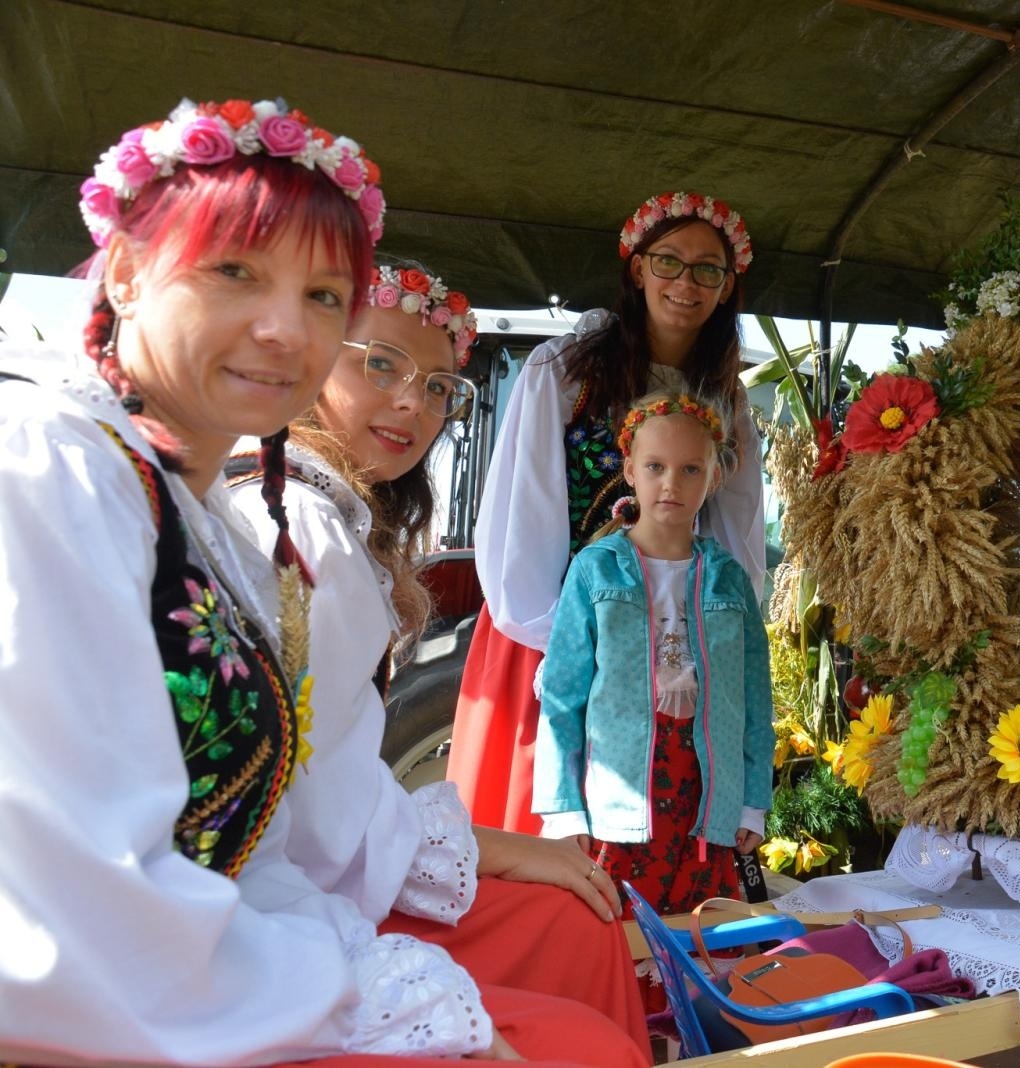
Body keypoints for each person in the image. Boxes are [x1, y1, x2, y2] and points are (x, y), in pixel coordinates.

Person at [0, 97, 645, 1066]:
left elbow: (258, 830)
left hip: (191, 953)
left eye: (321, 297)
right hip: (108, 993)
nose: (281, 329)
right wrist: (385, 989)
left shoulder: (192, 507)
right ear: (127, 273)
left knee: (572, 1013)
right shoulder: (54, 468)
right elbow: (61, 899)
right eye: (235, 273)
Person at [226, 260, 650, 1058]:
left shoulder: (330, 521)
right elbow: (317, 826)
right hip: (276, 914)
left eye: (440, 388)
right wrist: (507, 847)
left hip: (306, 880)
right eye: (381, 364)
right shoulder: (301, 533)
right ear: (314, 359)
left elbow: (337, 792)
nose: (412, 404)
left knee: (577, 921)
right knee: (587, 1025)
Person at [449, 191, 766, 834]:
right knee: (546, 819)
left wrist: (717, 643)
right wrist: (559, 644)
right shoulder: (569, 370)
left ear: (727, 287)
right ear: (638, 268)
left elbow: (738, 538)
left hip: (664, 634)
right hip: (544, 627)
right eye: (669, 261)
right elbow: (523, 510)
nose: (686, 282)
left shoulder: (727, 405)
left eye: (709, 269)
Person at [533, 391, 774, 917]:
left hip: (709, 791)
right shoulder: (595, 571)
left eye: (690, 469)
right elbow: (561, 698)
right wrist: (563, 810)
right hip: (619, 794)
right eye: (656, 466)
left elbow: (757, 701)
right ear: (630, 470)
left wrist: (752, 801)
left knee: (701, 925)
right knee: (617, 927)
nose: (672, 483)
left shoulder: (731, 579)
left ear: (712, 478)